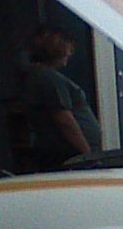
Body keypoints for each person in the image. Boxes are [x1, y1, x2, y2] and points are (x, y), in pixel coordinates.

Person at [21, 25, 101, 171]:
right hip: (70, 156)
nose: (70, 53)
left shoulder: (41, 76)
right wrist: (87, 154)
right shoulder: (48, 79)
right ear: (56, 50)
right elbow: (65, 120)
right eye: (68, 49)